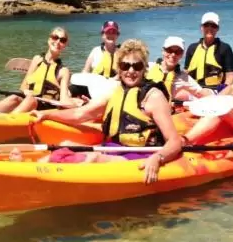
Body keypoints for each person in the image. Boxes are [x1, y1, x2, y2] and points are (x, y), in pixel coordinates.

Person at [31, 39, 183, 184]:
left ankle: (58, 182)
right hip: (114, 148)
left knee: (95, 159)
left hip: (140, 153)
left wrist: (158, 158)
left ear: (144, 68)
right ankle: (32, 170)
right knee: (65, 144)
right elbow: (80, 114)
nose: (131, 71)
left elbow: (174, 141)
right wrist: (47, 114)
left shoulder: (153, 96)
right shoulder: (114, 93)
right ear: (119, 68)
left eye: (136, 66)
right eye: (125, 66)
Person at [0, 27, 75, 113]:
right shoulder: (36, 59)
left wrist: (75, 103)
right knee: (13, 98)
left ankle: (9, 122)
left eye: (62, 40)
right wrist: (26, 91)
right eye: (55, 37)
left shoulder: (63, 71)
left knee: (30, 100)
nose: (58, 42)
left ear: (65, 45)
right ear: (49, 39)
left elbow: (64, 99)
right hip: (28, 101)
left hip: (45, 107)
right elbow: (23, 86)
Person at [183, 12, 233, 91]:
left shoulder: (225, 48)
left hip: (216, 90)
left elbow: (230, 75)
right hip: (195, 90)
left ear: (217, 28)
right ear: (201, 27)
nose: (210, 28)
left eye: (213, 26)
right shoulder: (192, 48)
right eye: (206, 25)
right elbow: (186, 72)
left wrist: (224, 89)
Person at [145, 36, 203, 103]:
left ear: (182, 55)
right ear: (163, 51)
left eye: (178, 52)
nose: (173, 55)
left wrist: (191, 97)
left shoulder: (185, 78)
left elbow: (201, 91)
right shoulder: (148, 67)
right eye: (169, 50)